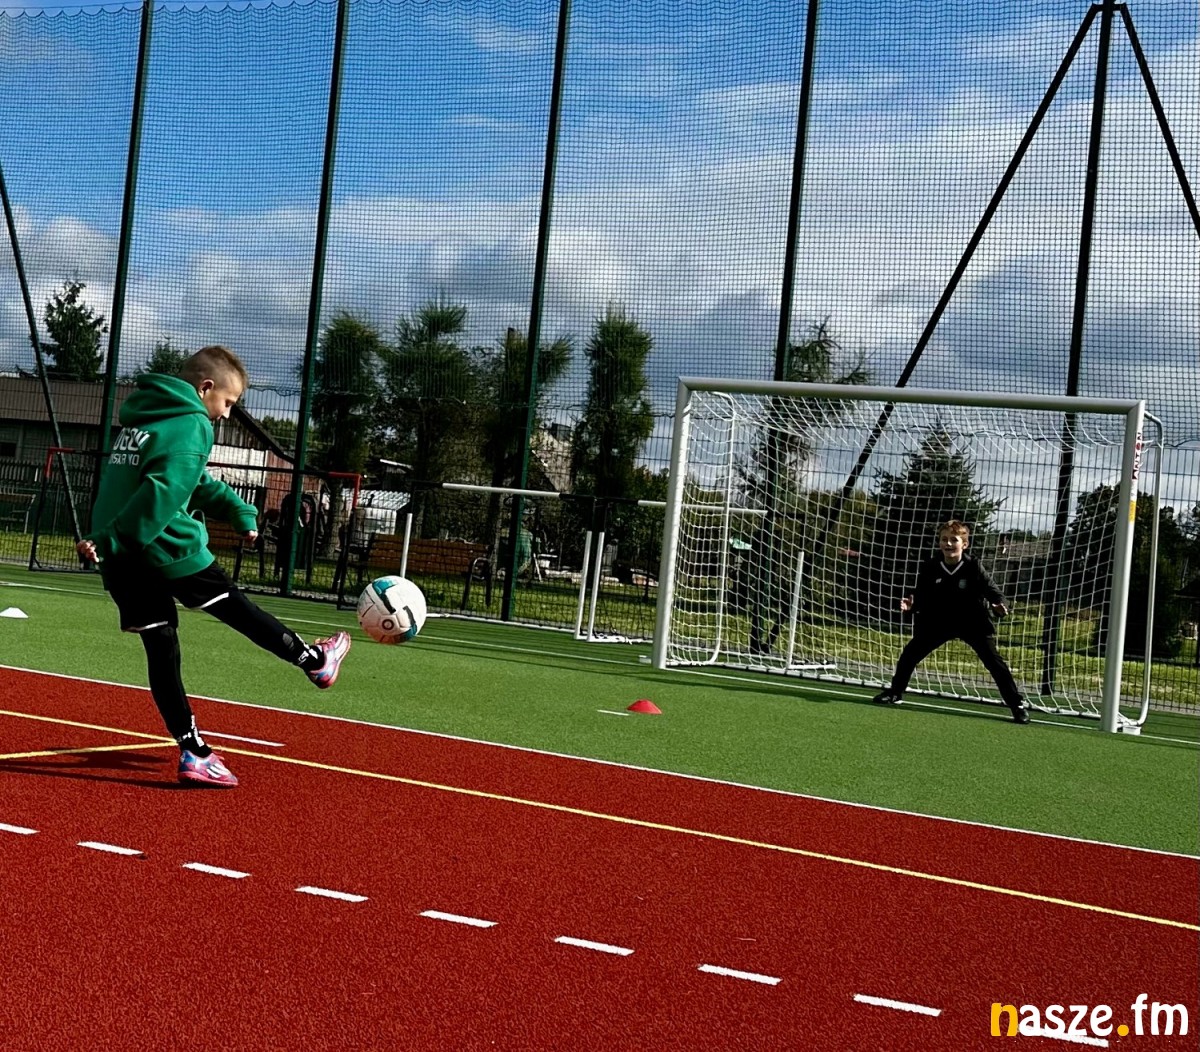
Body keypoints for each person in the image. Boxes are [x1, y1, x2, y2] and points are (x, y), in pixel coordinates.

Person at [77, 345, 351, 788]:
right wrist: (114, 539)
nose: (226, 413)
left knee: (162, 649)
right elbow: (163, 492)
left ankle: (193, 752)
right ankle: (313, 661)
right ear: (205, 388)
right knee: (238, 610)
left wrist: (238, 510)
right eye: (228, 401)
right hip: (165, 547)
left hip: (122, 558)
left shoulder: (144, 419)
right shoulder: (193, 423)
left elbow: (192, 481)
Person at [872, 519, 1029, 724]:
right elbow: (920, 595)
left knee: (994, 663)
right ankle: (895, 693)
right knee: (910, 654)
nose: (948, 544)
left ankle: (1017, 705)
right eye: (944, 539)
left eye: (954, 540)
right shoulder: (931, 566)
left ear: (964, 544)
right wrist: (912, 605)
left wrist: (1000, 606)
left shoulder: (973, 566)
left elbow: (994, 592)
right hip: (939, 622)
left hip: (972, 622)